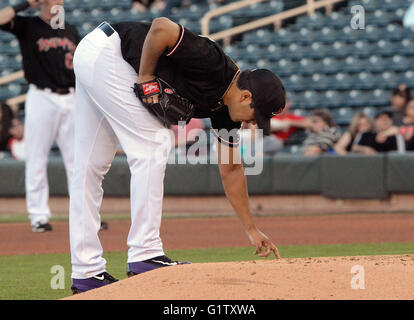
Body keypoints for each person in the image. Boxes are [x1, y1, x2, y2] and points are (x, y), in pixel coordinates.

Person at [69, 18, 285, 294]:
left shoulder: (226, 112)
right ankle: (145, 254)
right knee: (154, 143)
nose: (254, 124)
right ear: (245, 97)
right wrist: (146, 76)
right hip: (112, 54)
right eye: (258, 116)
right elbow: (162, 27)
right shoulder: (213, 63)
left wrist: (252, 229)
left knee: (89, 167)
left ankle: (86, 272)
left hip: (97, 55)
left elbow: (231, 169)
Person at [0, 0, 82, 232]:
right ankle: (38, 216)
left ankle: (84, 215)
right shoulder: (29, 25)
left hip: (71, 95)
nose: (60, 2)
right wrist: (25, 4)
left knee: (77, 161)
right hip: (42, 96)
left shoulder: (71, 30)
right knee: (37, 157)